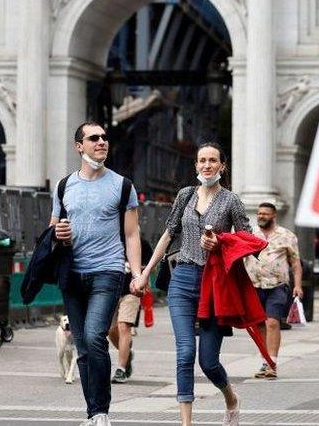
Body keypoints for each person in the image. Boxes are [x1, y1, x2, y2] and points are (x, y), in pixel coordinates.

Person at [133, 142, 248, 426]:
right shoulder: (185, 195)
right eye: (201, 161)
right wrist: (146, 272)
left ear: (222, 165)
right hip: (183, 278)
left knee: (208, 362)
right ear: (195, 165)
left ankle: (231, 398)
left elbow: (248, 240)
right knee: (185, 353)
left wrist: (220, 242)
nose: (206, 165)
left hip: (215, 285)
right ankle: (186, 423)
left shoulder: (231, 200)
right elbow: (168, 234)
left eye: (212, 161)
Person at [51, 122, 144, 426]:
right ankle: (93, 412)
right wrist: (59, 234)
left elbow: (131, 234)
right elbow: (53, 230)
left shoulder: (122, 185)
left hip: (108, 270)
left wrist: (138, 274)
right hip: (73, 273)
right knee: (82, 345)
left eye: (104, 137)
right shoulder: (64, 186)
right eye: (94, 138)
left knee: (94, 337)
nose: (102, 141)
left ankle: (102, 412)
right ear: (79, 146)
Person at [243, 202, 303, 380]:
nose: (261, 216)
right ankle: (265, 361)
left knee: (272, 322)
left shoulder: (287, 235)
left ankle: (272, 363)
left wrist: (298, 285)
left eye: (265, 214)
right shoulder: (250, 234)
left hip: (277, 285)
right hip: (253, 285)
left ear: (274, 216)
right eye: (259, 213)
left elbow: (295, 263)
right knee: (259, 324)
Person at [108, 292, 140, 383]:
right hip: (110, 291)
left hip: (131, 291)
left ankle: (121, 369)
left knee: (124, 326)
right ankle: (127, 353)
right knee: (110, 330)